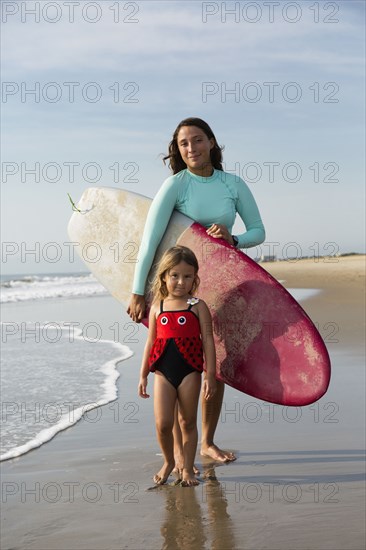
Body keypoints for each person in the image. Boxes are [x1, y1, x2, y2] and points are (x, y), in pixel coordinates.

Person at [129, 117, 265, 464]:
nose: (191, 148)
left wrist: (233, 239)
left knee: (212, 366)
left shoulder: (233, 184)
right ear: (178, 150)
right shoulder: (175, 185)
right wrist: (138, 291)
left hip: (221, 284)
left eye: (197, 140)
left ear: (211, 143)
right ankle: (179, 449)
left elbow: (258, 231)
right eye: (184, 143)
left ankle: (207, 442)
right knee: (174, 359)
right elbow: (151, 241)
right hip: (179, 287)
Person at [138, 245, 217, 486]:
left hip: (190, 370)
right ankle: (169, 461)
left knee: (187, 422)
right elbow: (150, 342)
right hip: (162, 372)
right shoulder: (157, 307)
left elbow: (208, 341)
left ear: (195, 277)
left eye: (187, 276)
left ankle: (188, 472)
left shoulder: (198, 306)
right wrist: (143, 375)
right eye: (175, 275)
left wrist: (210, 375)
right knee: (163, 424)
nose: (181, 282)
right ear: (164, 276)